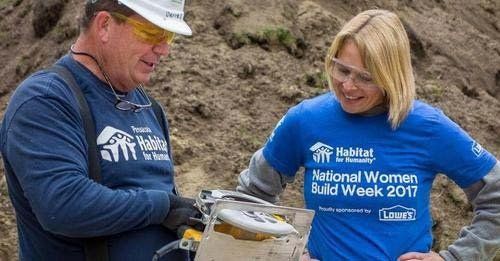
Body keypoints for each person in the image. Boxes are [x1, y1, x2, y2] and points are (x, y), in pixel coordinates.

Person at [237, 9, 500, 261]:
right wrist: (284, 253)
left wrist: (456, 257)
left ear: (391, 77)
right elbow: (251, 198)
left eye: (366, 77)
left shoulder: (428, 127)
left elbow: (495, 195)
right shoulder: (306, 121)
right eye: (342, 70)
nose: (348, 86)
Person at [0, 0, 201, 260]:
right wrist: (163, 207)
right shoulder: (46, 100)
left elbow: (158, 201)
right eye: (151, 33)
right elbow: (64, 205)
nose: (163, 49)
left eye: (169, 36)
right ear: (104, 25)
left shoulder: (149, 108)